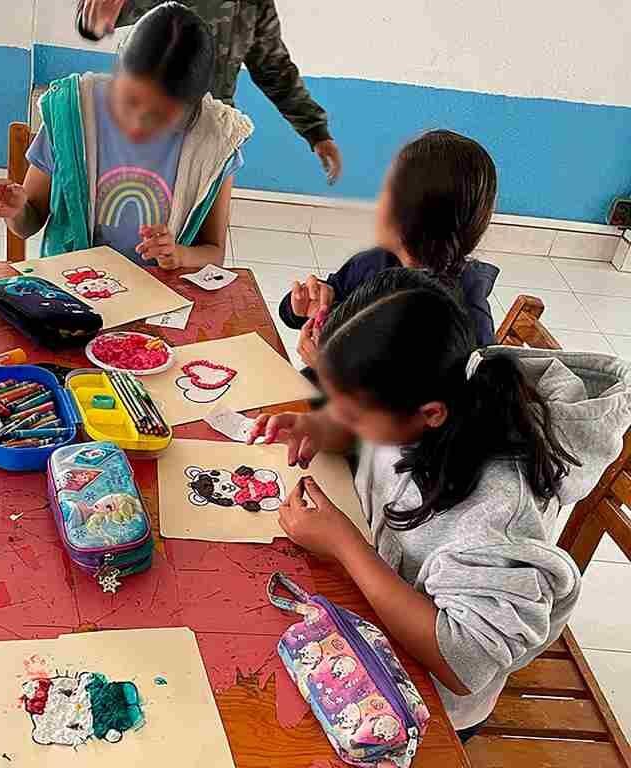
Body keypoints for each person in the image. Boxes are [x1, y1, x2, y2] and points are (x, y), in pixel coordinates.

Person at [251, 269, 631, 740]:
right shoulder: (436, 394)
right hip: (378, 607)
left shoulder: (495, 514)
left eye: (354, 412)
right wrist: (322, 429)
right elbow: (384, 437)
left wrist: (345, 546)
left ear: (430, 414)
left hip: (424, 697)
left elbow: (463, 662)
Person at [0, 2, 252, 270]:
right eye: (129, 101)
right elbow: (29, 222)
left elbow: (214, 253)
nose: (137, 125)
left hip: (159, 297)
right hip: (71, 289)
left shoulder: (214, 140)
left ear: (194, 105)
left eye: (161, 116)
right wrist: (16, 209)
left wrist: (178, 255)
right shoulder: (74, 113)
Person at [282, 129, 500, 367]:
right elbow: (313, 306)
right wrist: (302, 305)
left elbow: (449, 402)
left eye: (387, 189)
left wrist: (329, 369)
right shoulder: (372, 263)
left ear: (406, 211)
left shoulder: (465, 321)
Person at [76, 0, 342, 183]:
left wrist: (316, 131)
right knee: (131, 224)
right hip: (150, 129)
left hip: (210, 135)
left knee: (193, 245)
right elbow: (99, 14)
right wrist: (94, 22)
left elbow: (273, 68)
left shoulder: (254, 5)